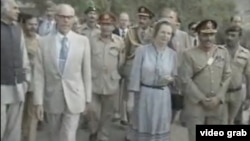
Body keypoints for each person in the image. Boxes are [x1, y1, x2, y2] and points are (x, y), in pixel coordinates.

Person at [33, 4, 92, 141]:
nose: (66, 20)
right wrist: (38, 102)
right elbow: (39, 75)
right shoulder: (43, 42)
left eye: (69, 17)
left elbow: (86, 72)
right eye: (62, 17)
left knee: (68, 135)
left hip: (75, 96)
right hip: (52, 97)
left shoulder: (82, 41)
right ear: (56, 18)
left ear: (73, 19)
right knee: (54, 135)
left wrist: (88, 99)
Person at [179, 19, 232, 141]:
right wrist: (202, 99)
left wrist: (218, 97)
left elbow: (227, 75)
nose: (208, 38)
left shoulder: (222, 52)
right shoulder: (188, 54)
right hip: (196, 106)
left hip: (217, 105)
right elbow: (185, 79)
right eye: (205, 34)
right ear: (198, 34)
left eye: (211, 34)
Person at [128, 20, 177, 141]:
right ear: (155, 33)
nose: (165, 36)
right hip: (145, 94)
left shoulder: (172, 54)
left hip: (163, 96)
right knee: (143, 125)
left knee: (160, 127)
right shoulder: (142, 51)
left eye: (168, 33)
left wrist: (171, 79)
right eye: (162, 32)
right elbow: (135, 76)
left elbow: (175, 75)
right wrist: (130, 99)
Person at [88, 12, 125, 141]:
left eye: (109, 24)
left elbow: (121, 62)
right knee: (92, 111)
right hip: (94, 81)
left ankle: (103, 135)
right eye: (103, 24)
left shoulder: (119, 42)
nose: (106, 27)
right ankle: (93, 131)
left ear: (113, 26)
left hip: (111, 83)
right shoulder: (91, 40)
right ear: (100, 25)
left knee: (107, 114)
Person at [122, 6, 155, 140]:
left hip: (148, 72)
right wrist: (123, 69)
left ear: (150, 20)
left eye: (145, 18)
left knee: (145, 104)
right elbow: (126, 51)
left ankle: (142, 131)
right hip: (132, 70)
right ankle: (130, 131)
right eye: (140, 17)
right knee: (130, 105)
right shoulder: (131, 32)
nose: (142, 20)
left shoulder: (154, 33)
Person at [1, 0, 31, 141]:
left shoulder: (18, 28)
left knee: (14, 126)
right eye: (15, 8)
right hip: (1, 83)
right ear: (4, 9)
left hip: (18, 83)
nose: (18, 11)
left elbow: (23, 54)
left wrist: (26, 79)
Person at [159, 7, 191, 125]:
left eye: (171, 17)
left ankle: (167, 127)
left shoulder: (183, 36)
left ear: (176, 21)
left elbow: (188, 57)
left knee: (174, 106)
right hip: (160, 78)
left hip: (177, 79)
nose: (167, 19)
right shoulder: (156, 35)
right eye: (165, 17)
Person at [223, 26, 250, 124]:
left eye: (233, 35)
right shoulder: (218, 51)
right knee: (223, 121)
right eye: (228, 35)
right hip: (222, 92)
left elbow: (248, 77)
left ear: (240, 37)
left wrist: (248, 98)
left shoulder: (246, 54)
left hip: (237, 93)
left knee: (231, 120)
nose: (229, 38)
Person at [21, 14, 40, 141]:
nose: (33, 27)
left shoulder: (41, 40)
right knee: (19, 114)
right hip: (20, 83)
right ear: (23, 24)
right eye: (30, 24)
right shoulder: (19, 39)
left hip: (36, 83)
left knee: (33, 114)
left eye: (35, 24)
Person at [112, 11, 130, 123]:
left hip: (127, 65)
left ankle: (124, 116)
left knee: (126, 92)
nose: (123, 22)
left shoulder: (132, 34)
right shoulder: (113, 32)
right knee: (115, 90)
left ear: (129, 22)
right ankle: (115, 112)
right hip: (115, 65)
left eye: (126, 20)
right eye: (122, 20)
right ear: (119, 21)